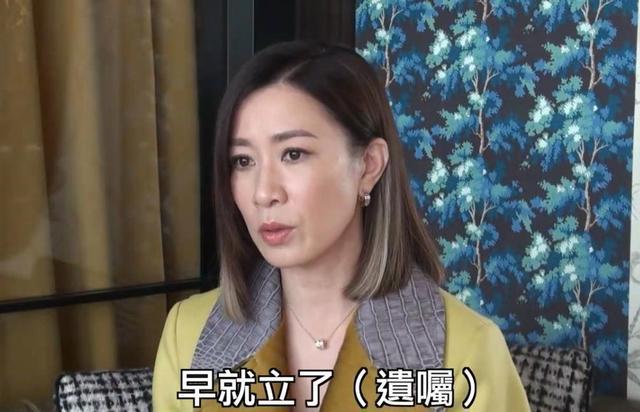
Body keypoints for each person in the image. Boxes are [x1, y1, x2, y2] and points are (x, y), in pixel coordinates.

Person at [152, 41, 530, 412]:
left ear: (368, 165)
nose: (264, 193)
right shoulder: (188, 333)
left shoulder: (467, 350)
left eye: (293, 154)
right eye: (243, 161)